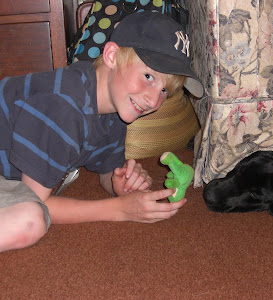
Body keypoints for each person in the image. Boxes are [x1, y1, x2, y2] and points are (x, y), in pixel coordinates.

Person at [0, 11, 204, 253]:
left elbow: (107, 171)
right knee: (30, 221)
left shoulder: (114, 111)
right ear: (111, 56)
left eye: (164, 91)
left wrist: (121, 184)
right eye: (149, 76)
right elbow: (37, 200)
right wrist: (120, 209)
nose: (153, 100)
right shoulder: (64, 107)